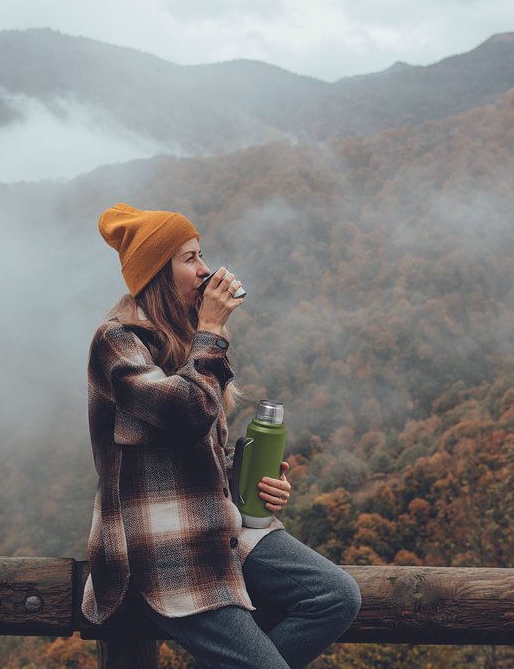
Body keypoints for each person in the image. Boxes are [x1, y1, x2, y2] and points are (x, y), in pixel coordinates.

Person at [82, 203, 361, 668]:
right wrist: (212, 331)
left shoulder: (188, 339)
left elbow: (197, 450)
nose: (205, 269)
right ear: (157, 272)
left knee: (335, 596)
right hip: (162, 543)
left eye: (201, 255)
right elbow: (184, 414)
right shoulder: (117, 341)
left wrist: (255, 480)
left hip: (218, 523)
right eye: (189, 258)